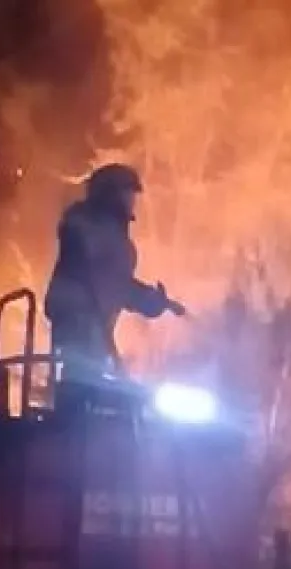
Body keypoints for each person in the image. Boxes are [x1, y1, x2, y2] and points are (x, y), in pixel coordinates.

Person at [45, 163, 184, 408]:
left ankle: (77, 420)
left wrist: (155, 301)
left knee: (85, 383)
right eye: (127, 192)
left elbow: (115, 284)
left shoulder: (103, 232)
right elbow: (112, 282)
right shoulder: (92, 228)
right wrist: (150, 301)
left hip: (90, 324)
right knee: (82, 385)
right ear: (110, 193)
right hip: (82, 320)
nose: (132, 200)